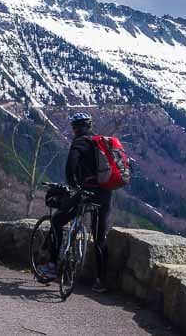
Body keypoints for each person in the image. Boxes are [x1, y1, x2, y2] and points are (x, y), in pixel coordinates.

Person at [40, 112, 112, 294]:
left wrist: (73, 185)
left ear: (75, 128)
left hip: (85, 193)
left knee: (57, 221)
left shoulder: (80, 142)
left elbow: (71, 166)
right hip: (104, 195)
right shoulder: (99, 142)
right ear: (89, 125)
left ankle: (52, 266)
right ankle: (102, 281)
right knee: (99, 238)